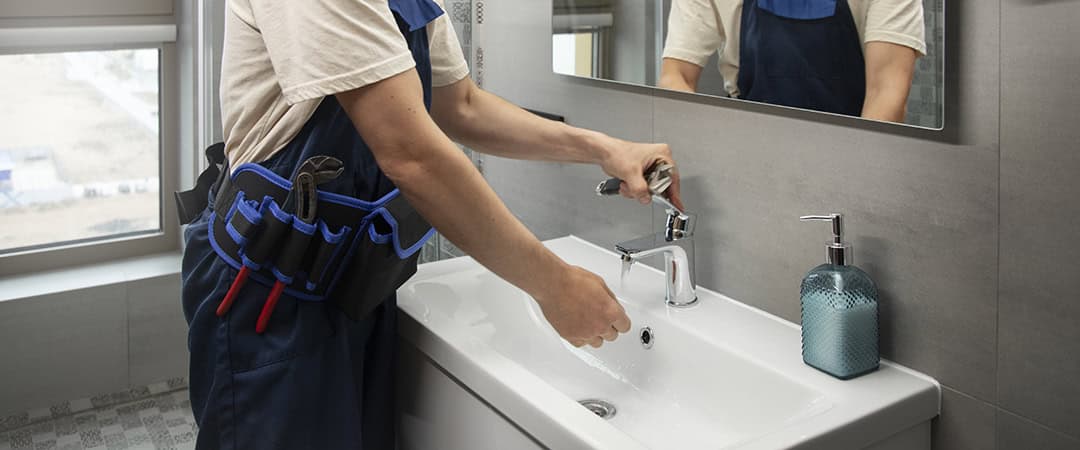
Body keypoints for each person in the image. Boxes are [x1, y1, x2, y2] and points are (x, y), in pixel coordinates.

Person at [177, 0, 684, 448]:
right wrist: (554, 285)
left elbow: (460, 106)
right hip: (268, 293)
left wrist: (603, 149)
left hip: (354, 287)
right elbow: (411, 153)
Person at [659, 0, 926, 122]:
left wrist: (857, 178)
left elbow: (886, 95)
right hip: (749, 145)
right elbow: (675, 77)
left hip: (852, 148)